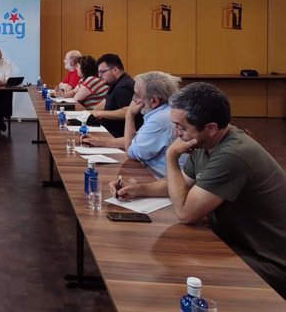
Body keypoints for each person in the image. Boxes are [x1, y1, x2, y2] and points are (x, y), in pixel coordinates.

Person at [111, 83, 286, 298]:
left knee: (177, 276)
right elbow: (180, 184)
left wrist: (171, 156)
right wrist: (138, 189)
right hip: (237, 242)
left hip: (266, 260)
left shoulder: (232, 155)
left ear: (210, 127)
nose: (176, 133)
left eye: (181, 128)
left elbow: (185, 212)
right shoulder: (209, 143)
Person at [89, 71, 179, 177]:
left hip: (158, 180)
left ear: (154, 101)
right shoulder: (162, 112)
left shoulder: (159, 120)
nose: (133, 100)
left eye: (136, 95)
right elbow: (135, 140)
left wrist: (129, 115)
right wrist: (99, 142)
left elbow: (131, 152)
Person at [90, 53, 141, 137]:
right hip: (110, 133)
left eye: (102, 72)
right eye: (98, 72)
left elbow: (127, 112)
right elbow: (105, 102)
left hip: (117, 137)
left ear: (115, 70)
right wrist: (89, 113)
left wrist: (100, 113)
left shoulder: (123, 87)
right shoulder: (116, 83)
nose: (99, 76)